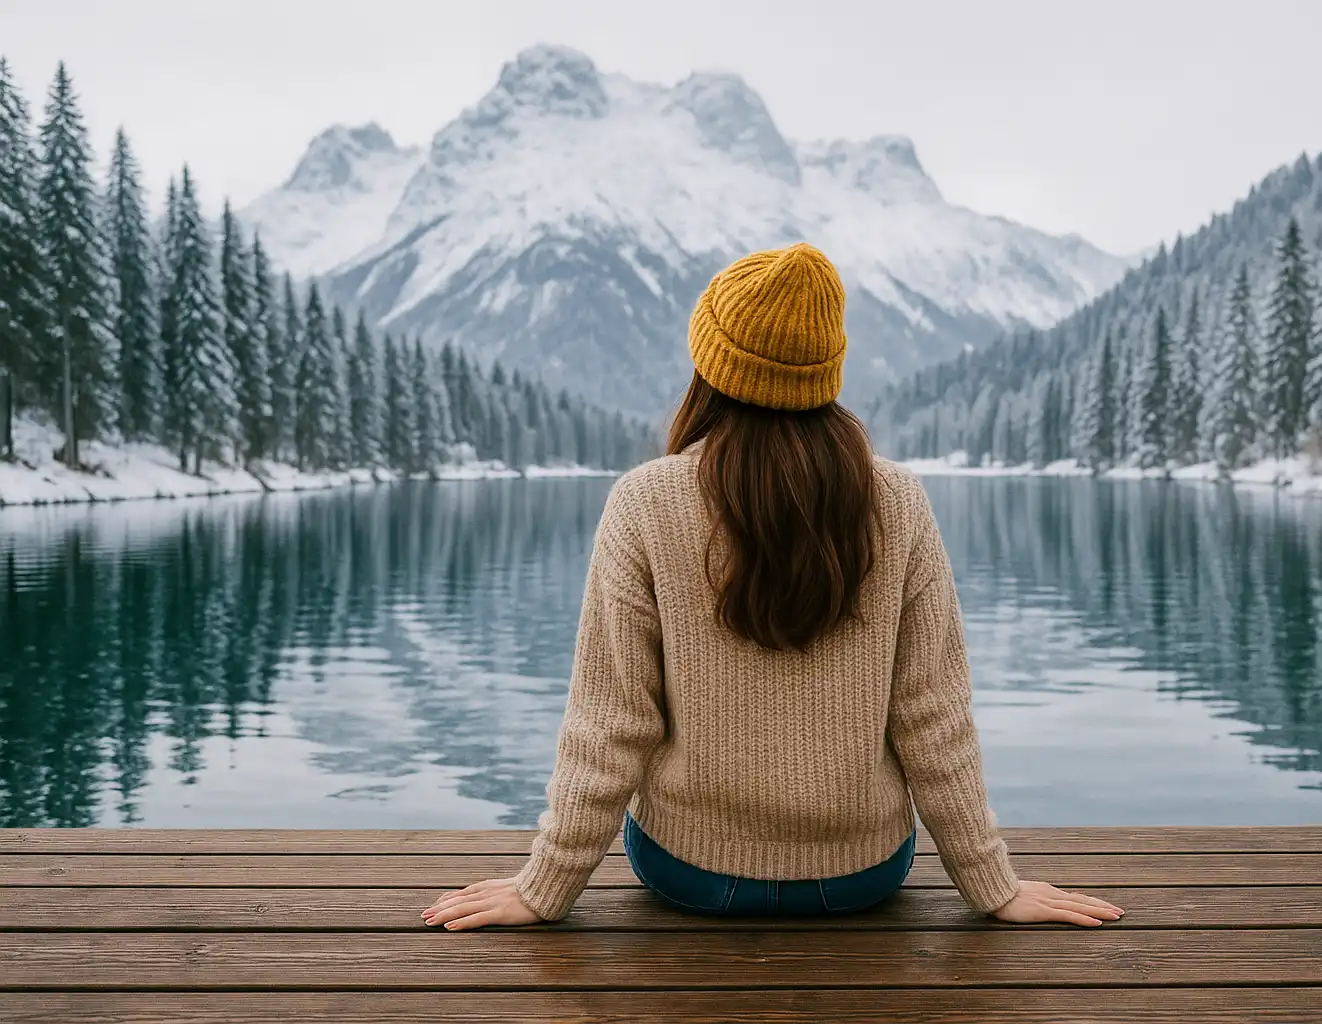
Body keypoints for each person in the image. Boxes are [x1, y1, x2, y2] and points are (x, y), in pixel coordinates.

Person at [422, 243, 1124, 930]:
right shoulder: (898, 500)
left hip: (691, 871)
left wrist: (543, 888)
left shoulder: (645, 501)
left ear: (710, 365)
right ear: (826, 371)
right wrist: (993, 885)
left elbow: (612, 721)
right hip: (862, 875)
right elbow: (932, 714)